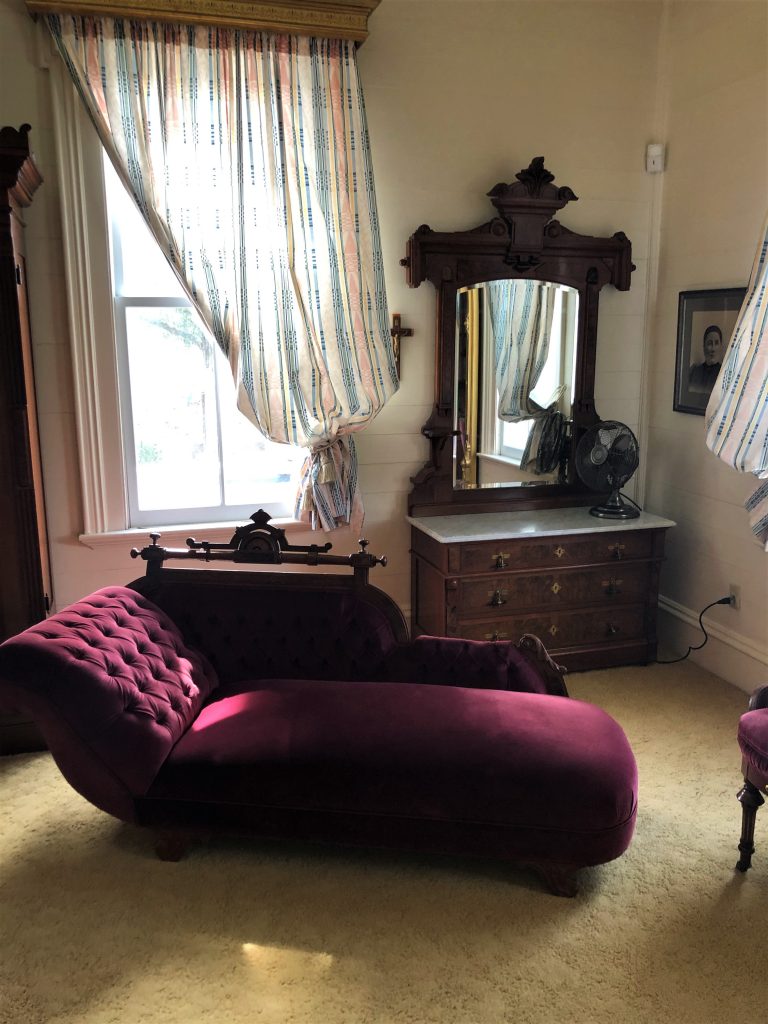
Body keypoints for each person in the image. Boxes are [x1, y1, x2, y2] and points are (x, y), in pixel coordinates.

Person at [688, 324, 723, 392]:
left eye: (716, 343)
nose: (713, 349)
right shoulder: (694, 371)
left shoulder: (723, 373)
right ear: (704, 347)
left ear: (720, 346)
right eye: (709, 343)